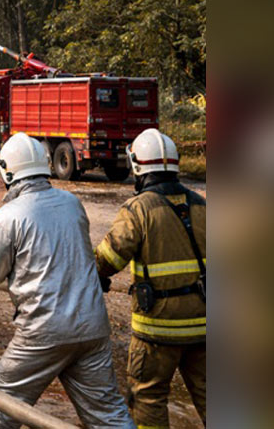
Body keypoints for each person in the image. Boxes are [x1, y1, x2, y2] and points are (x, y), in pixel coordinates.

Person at [0, 132, 134, 429]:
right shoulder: (72, 203)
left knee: (4, 397)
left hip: (43, 331)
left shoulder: (9, 215)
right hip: (92, 327)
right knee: (108, 414)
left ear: (8, 171)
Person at [95, 128, 206, 427]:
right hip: (206, 326)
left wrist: (93, 275)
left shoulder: (138, 209)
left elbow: (108, 259)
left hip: (158, 330)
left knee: (148, 397)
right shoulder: (202, 205)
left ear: (137, 167)